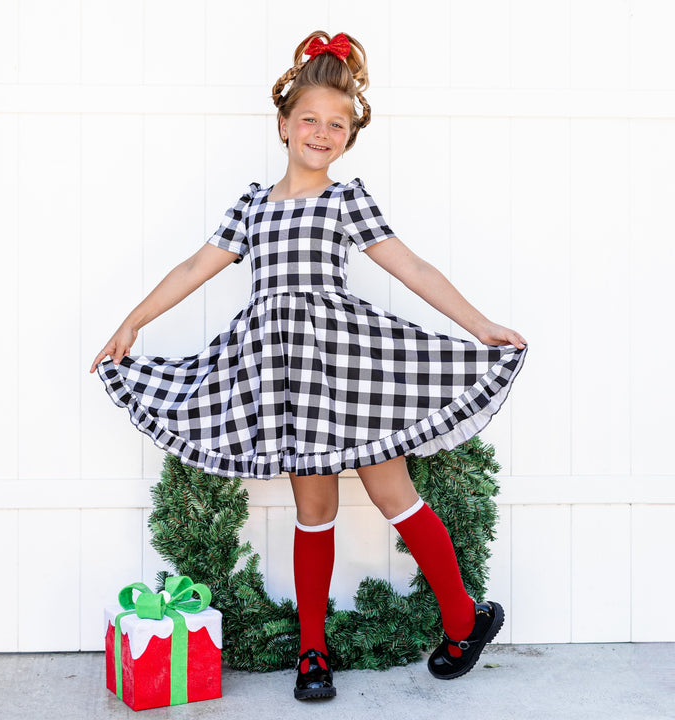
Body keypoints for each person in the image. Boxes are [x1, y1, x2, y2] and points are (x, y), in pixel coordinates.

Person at [90, 30, 527, 701]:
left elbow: (410, 266)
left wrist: (480, 325)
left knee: (392, 495)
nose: (323, 133)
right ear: (285, 123)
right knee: (313, 506)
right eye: (312, 120)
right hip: (282, 375)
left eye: (338, 125)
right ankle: (312, 652)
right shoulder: (251, 206)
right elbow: (192, 268)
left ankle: (466, 620)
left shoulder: (346, 199)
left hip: (347, 370)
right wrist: (131, 324)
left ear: (349, 136)